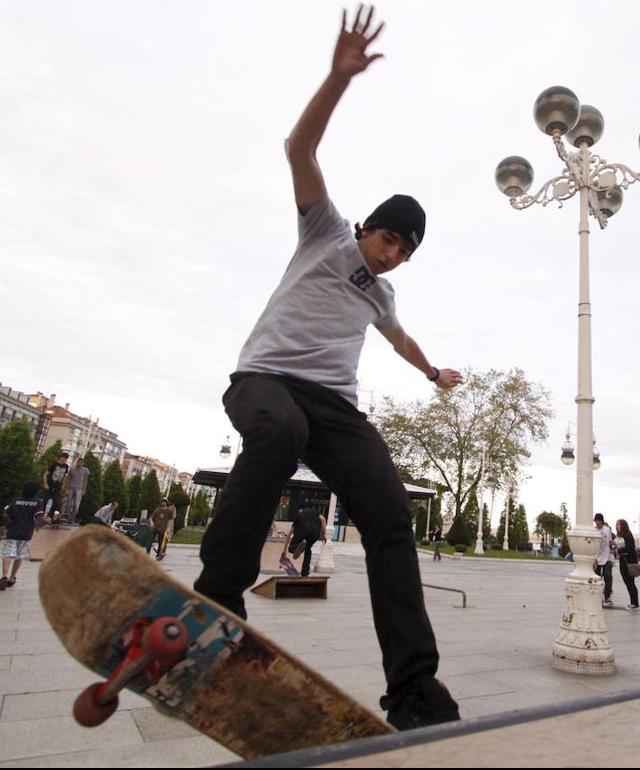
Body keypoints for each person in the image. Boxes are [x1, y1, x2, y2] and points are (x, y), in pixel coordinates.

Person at [192, 4, 462, 731]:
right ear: (369, 227)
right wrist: (338, 79)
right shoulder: (326, 232)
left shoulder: (385, 292)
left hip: (336, 408)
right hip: (266, 382)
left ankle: (413, 687)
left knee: (389, 513)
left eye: (405, 251)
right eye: (389, 240)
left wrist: (433, 372)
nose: (392, 255)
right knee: (275, 438)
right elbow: (299, 148)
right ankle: (218, 595)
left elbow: (399, 339)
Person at [0, 482, 44, 590]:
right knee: (19, 556)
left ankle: (4, 576)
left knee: (8, 554)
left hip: (13, 531)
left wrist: (7, 525)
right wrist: (44, 522)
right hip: (26, 533)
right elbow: (39, 517)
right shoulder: (37, 502)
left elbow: (5, 513)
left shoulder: (16, 500)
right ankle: (12, 577)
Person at [282, 507, 326, 577]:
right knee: (308, 550)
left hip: (302, 530)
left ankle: (299, 546)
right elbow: (323, 519)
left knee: (291, 548)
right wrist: (323, 534)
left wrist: (284, 550)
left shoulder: (299, 515)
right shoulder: (316, 512)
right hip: (314, 533)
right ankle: (305, 573)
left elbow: (289, 534)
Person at [614, 518, 640, 610]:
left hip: (629, 561)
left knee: (630, 582)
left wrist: (619, 550)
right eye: (617, 524)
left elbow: (630, 547)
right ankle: (633, 602)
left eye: (619, 524)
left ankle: (635, 603)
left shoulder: (628, 535)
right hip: (622, 560)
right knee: (627, 582)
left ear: (623, 526)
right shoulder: (619, 535)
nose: (617, 526)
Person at [593, 513, 615, 607]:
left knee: (608, 576)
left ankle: (607, 597)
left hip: (606, 556)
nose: (598, 524)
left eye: (599, 522)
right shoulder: (593, 530)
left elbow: (610, 541)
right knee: (597, 577)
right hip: (596, 557)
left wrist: (613, 547)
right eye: (596, 522)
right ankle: (597, 597)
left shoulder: (607, 530)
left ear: (602, 521)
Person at [41, 452, 71, 519]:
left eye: (65, 458)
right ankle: (41, 514)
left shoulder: (66, 467)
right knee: (45, 500)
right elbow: (45, 474)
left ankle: (49, 516)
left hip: (57, 485)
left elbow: (65, 476)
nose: (64, 459)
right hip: (50, 484)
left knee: (56, 502)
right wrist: (45, 483)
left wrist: (63, 484)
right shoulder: (54, 465)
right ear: (60, 457)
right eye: (63, 457)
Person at [62, 456, 89, 524]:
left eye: (81, 462)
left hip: (79, 489)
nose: (79, 463)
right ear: (77, 462)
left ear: (83, 463)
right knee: (68, 504)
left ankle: (72, 518)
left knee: (76, 505)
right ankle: (67, 517)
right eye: (78, 462)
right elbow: (68, 479)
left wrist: (84, 489)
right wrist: (66, 488)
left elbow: (85, 480)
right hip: (71, 487)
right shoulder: (72, 469)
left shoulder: (85, 470)